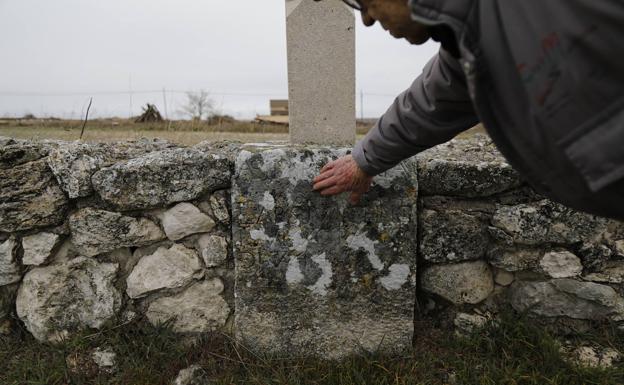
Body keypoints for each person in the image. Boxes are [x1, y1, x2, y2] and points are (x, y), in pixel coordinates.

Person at [312, 0, 624, 220]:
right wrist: (363, 160)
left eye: (363, 2)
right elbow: (434, 100)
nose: (366, 18)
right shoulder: (471, 34)